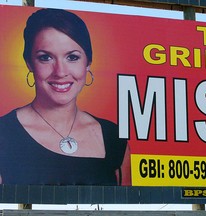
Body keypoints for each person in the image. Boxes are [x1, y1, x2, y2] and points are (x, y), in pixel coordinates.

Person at [0, 8, 130, 186]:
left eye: (72, 57)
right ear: (29, 63)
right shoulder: (3, 134)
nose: (60, 72)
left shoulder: (114, 137)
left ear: (88, 62)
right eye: (45, 57)